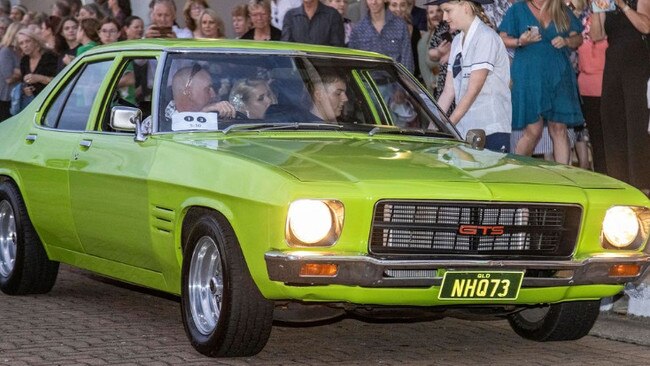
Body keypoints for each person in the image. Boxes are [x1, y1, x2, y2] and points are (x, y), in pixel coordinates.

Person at [498, 0, 584, 164]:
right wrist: (520, 42)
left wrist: (566, 41)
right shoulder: (518, 9)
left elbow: (578, 38)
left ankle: (563, 181)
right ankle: (514, 172)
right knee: (533, 130)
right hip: (529, 76)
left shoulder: (560, 9)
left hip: (559, 76)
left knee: (559, 128)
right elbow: (501, 38)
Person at [432, 0, 512, 152]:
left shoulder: (485, 37)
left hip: (490, 130)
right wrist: (432, 127)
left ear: (466, 7)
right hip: (466, 131)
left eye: (448, 10)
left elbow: (473, 90)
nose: (444, 17)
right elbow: (448, 92)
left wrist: (446, 128)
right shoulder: (456, 41)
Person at [590, 0, 650, 192]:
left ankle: (641, 183)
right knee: (611, 117)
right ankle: (619, 181)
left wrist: (623, 5)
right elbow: (597, 35)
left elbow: (645, 26)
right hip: (614, 61)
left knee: (636, 122)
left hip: (637, 60)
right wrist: (596, 9)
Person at [163, 64, 237, 130]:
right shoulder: (159, 122)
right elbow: (173, 136)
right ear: (188, 92)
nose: (213, 94)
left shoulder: (216, 117)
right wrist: (202, 115)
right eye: (208, 89)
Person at [349, 0, 414, 73]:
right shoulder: (358, 29)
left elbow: (407, 62)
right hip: (367, 82)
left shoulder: (400, 26)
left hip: (394, 82)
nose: (373, 2)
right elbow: (353, 63)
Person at [17, 28, 57, 102]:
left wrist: (40, 78)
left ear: (35, 42)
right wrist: (26, 90)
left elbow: (60, 80)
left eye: (27, 41)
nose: (25, 45)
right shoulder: (24, 60)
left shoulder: (50, 56)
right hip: (35, 103)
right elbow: (24, 83)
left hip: (53, 100)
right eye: (21, 43)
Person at [389, 0, 422, 80]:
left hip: (411, 82)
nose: (399, 9)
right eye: (394, 5)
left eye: (402, 5)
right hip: (388, 82)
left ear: (407, 7)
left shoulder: (415, 31)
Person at [0, 22, 23, 121]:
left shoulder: (19, 51)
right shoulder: (6, 51)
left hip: (17, 97)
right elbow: (9, 78)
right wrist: (23, 71)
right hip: (6, 97)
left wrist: (18, 71)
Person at [418, 4, 441, 94]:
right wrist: (432, 83)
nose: (435, 15)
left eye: (438, 10)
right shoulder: (424, 41)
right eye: (431, 12)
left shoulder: (454, 34)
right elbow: (424, 69)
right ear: (427, 16)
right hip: (435, 88)